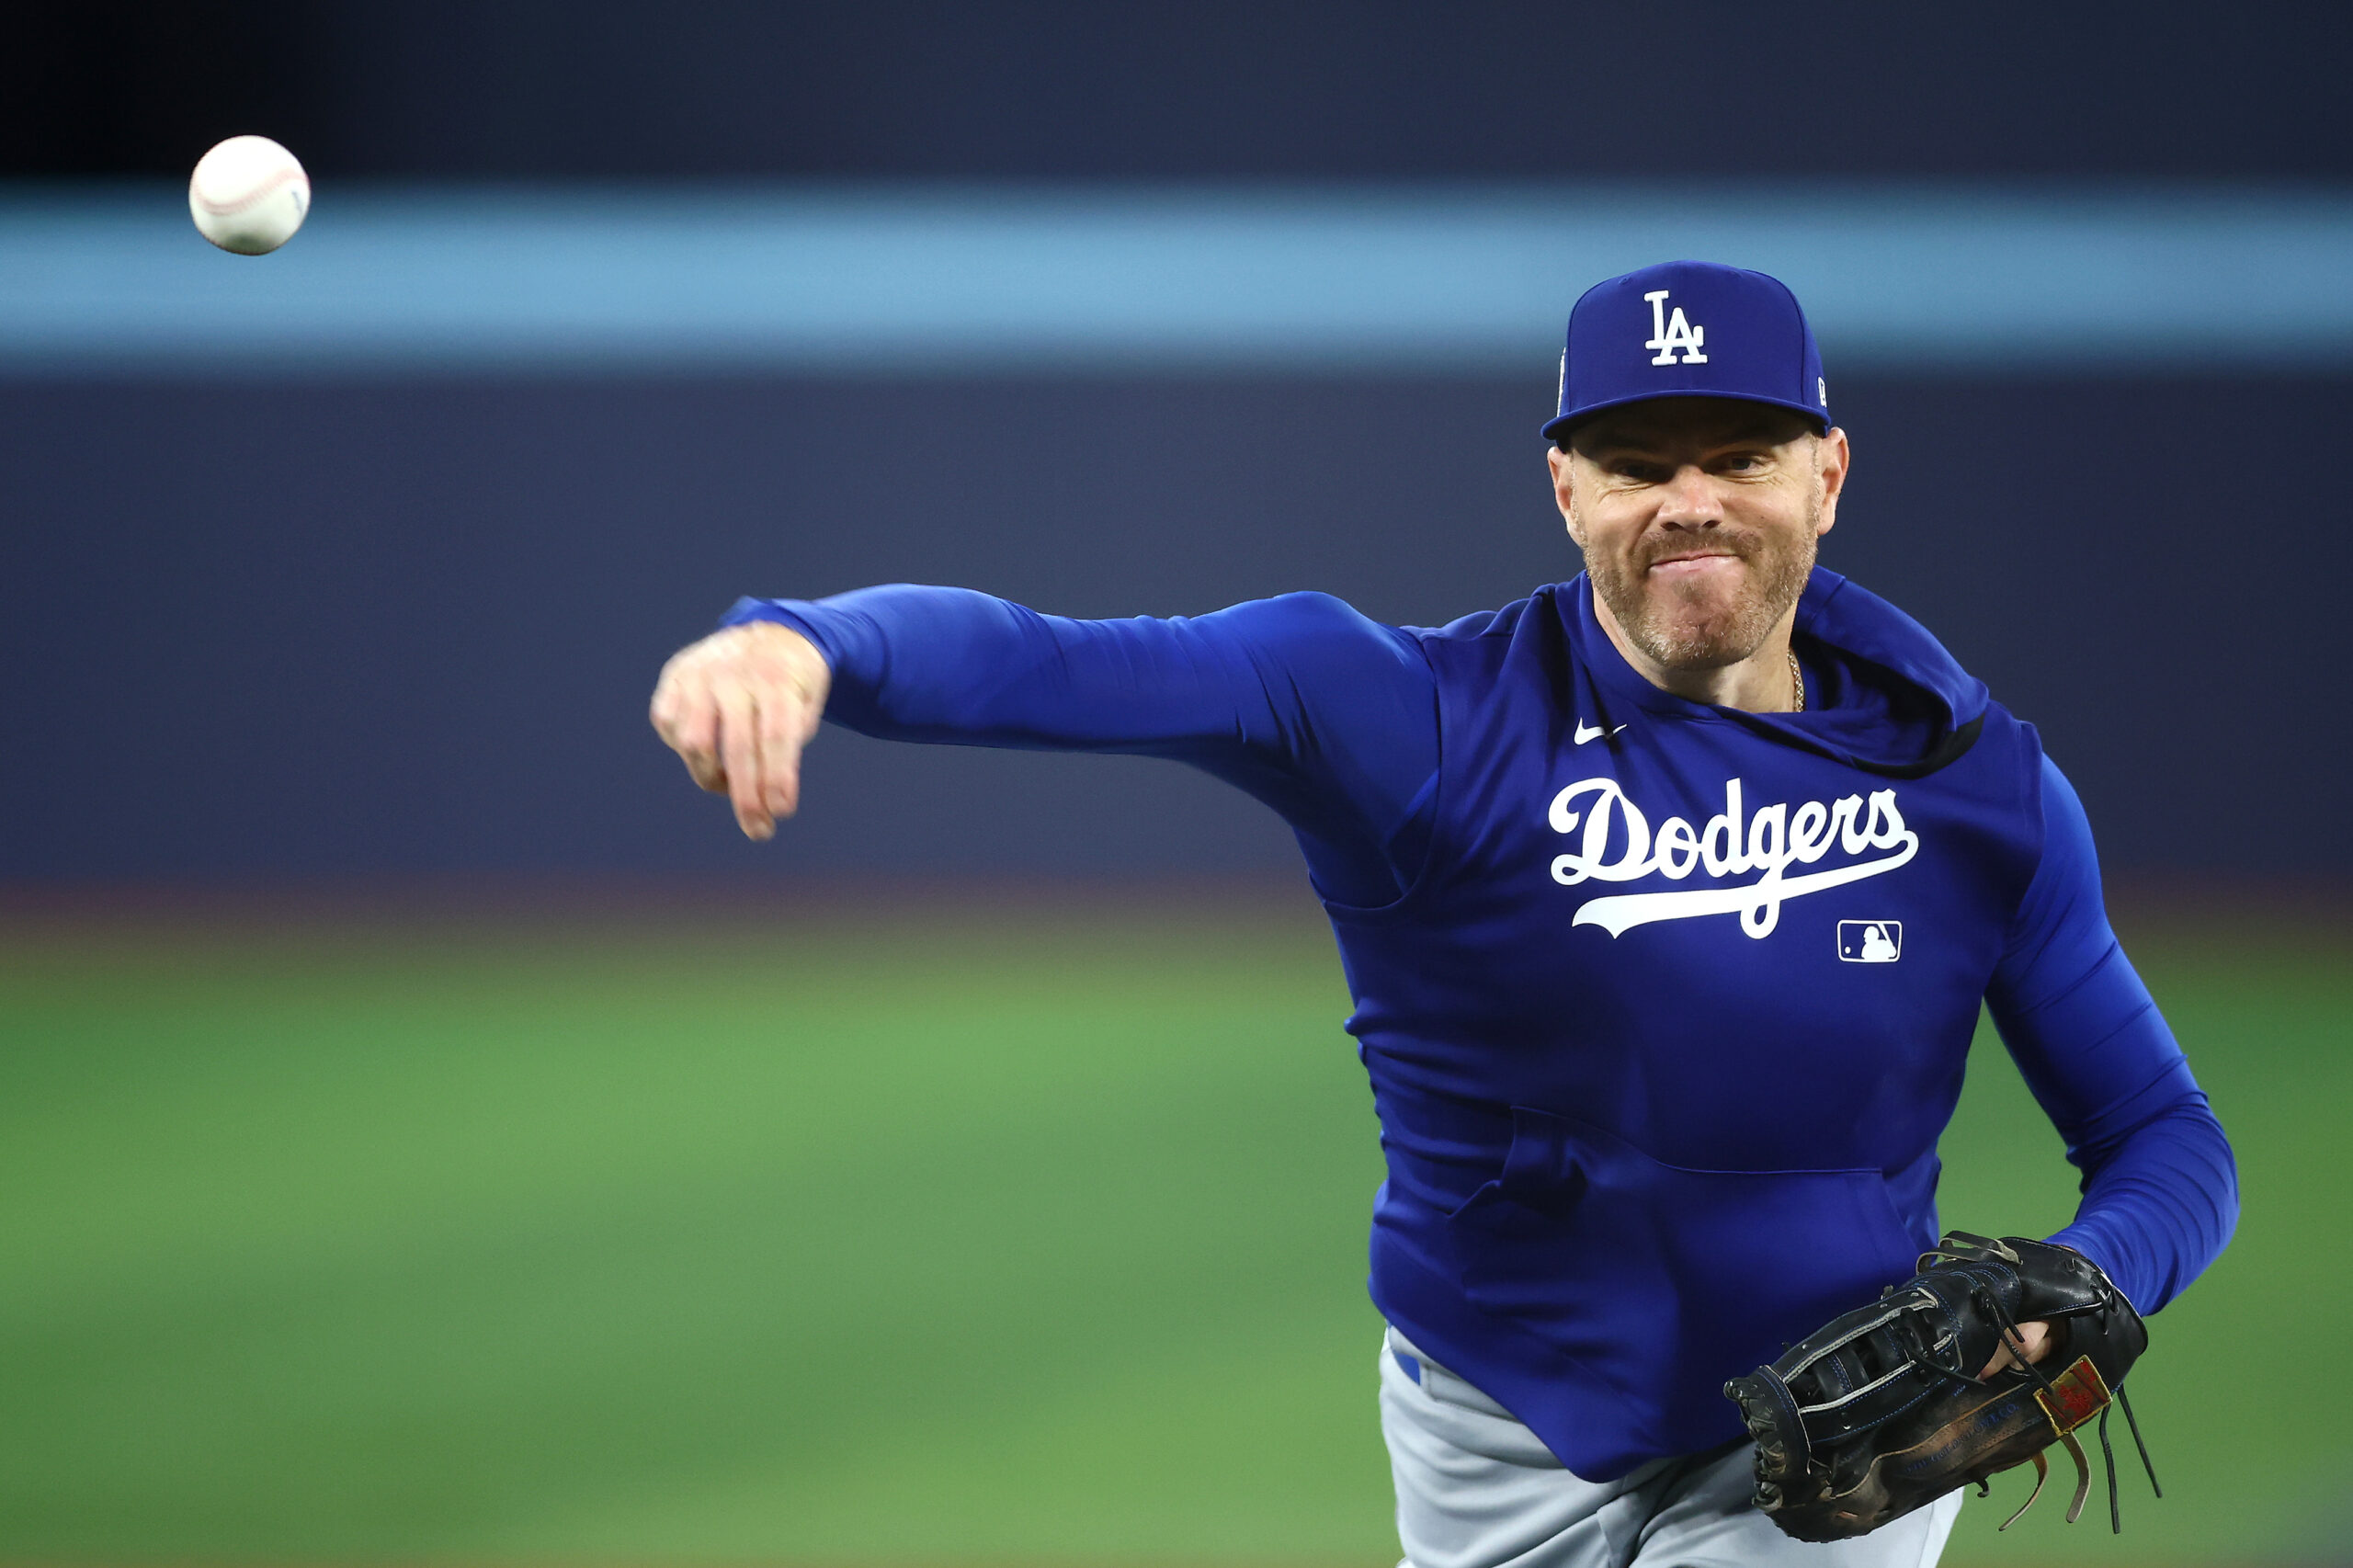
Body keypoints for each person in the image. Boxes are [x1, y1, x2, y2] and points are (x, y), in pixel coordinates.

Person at [648, 261, 2236, 1566]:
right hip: (1492, 1435)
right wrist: (801, 646)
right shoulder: (1406, 715)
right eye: (1635, 461)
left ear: (1826, 470)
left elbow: (2167, 1137)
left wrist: (2098, 1272)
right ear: (1564, 486)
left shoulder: (1976, 785)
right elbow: (1066, 661)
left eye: (1738, 454)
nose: (1688, 501)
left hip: (1830, 1464)